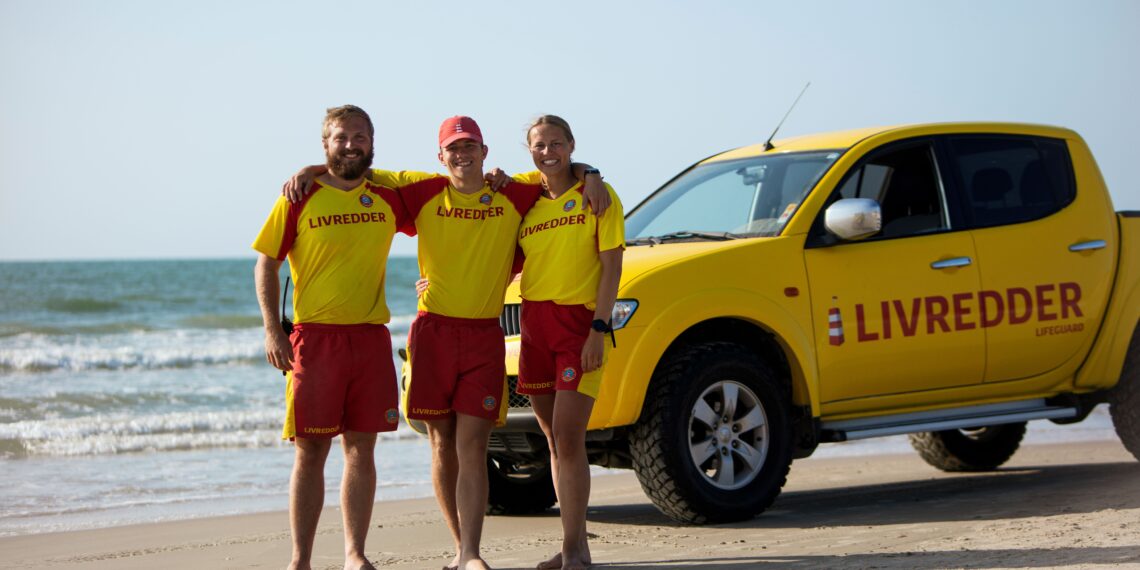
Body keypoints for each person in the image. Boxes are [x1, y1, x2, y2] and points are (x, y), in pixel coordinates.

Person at [282, 116, 609, 570]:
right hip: (432, 331)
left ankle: (474, 554)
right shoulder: (423, 190)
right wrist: (313, 169)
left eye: (470, 145)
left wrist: (591, 172)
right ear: (441, 155)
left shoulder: (513, 193)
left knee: (473, 443)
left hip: (484, 333)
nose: (462, 154)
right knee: (440, 442)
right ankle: (460, 550)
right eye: (453, 148)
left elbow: (557, 170)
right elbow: (356, 169)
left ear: (484, 150)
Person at [253, 105, 407, 570]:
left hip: (370, 338)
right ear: (326, 144)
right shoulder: (298, 196)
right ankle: (300, 560)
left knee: (361, 448)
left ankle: (355, 555)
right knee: (311, 450)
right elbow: (267, 263)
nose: (351, 144)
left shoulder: (388, 192)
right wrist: (271, 330)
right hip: (314, 341)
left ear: (372, 143)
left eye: (360, 136)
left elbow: (456, 185)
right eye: (341, 137)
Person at [514, 115, 624, 570]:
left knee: (568, 435)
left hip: (580, 325)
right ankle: (571, 543)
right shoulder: (526, 199)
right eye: (540, 145)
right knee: (552, 439)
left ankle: (577, 550)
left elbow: (612, 266)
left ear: (572, 145)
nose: (548, 152)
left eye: (557, 143)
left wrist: (599, 329)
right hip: (534, 324)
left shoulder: (597, 194)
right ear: (531, 151)